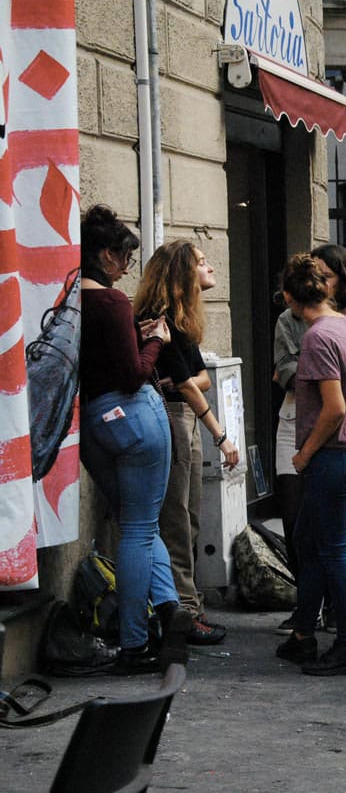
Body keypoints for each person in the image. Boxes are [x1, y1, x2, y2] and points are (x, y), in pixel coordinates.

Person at [78, 205, 191, 674]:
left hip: (92, 421)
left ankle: (167, 608)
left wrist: (136, 338)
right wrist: (156, 339)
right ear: (106, 255)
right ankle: (134, 643)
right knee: (141, 529)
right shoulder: (112, 302)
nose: (127, 267)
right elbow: (133, 373)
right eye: (124, 257)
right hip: (134, 418)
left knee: (133, 521)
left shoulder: (69, 298)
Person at [274, 252, 346, 676]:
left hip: (334, 455)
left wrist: (304, 453)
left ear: (289, 297)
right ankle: (303, 634)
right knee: (307, 541)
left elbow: (334, 408)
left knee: (334, 551)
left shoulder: (318, 337)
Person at [132, 240, 238, 647]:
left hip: (183, 416)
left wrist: (186, 382)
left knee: (188, 517)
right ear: (182, 272)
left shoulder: (180, 318)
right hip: (173, 417)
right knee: (176, 519)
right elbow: (189, 385)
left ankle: (188, 606)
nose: (210, 267)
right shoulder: (161, 319)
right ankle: (184, 612)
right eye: (201, 262)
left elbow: (200, 378)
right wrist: (221, 435)